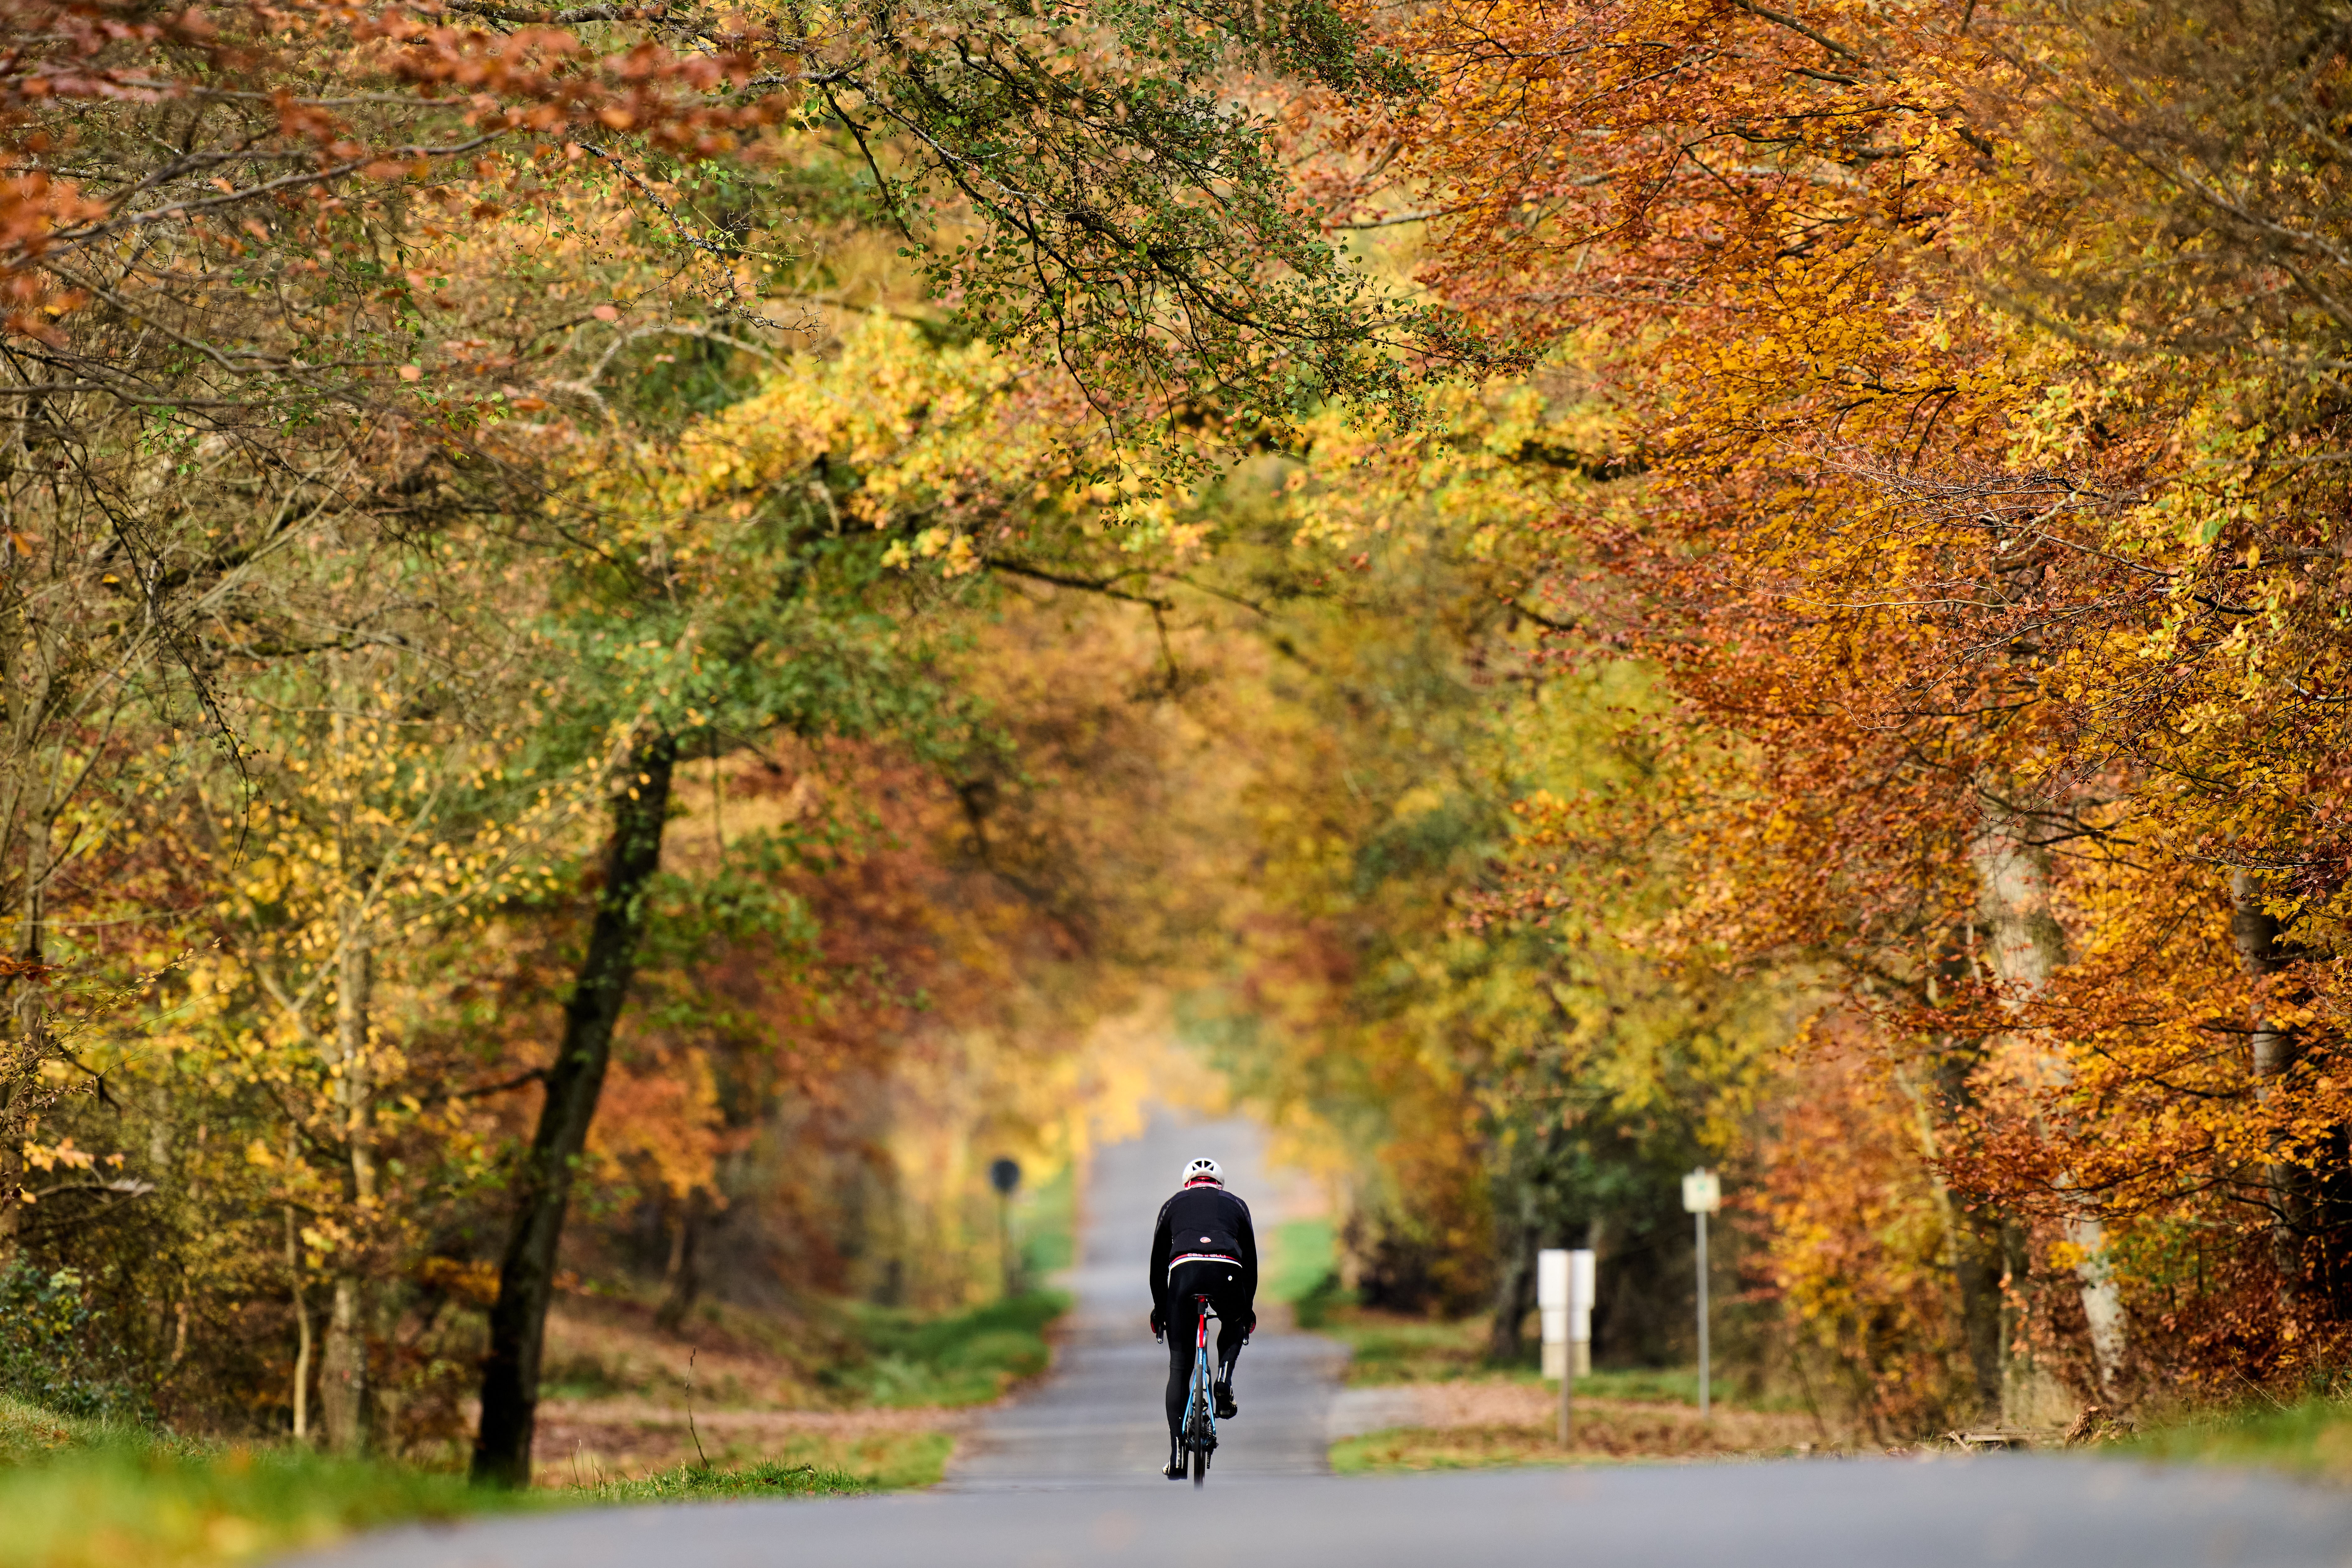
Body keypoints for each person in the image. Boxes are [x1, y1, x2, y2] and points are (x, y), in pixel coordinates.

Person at [1148, 1155, 1257, 1479]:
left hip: (1183, 1273)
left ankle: (1177, 1455)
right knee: (1233, 1321)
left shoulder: (1171, 1204)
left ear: (1187, 1184)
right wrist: (1246, 1307)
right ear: (1219, 1185)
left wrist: (1160, 1308)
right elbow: (1250, 1263)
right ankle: (1223, 1378)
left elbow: (1156, 1266)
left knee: (1180, 1366)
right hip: (1227, 1270)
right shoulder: (1236, 1204)